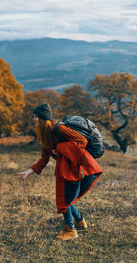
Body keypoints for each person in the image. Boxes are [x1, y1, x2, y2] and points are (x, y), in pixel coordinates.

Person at [17, 103, 103, 241]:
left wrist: (60, 147)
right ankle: (80, 221)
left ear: (43, 118)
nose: (34, 119)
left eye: (36, 117)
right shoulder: (46, 135)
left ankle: (70, 230)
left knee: (64, 197)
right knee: (66, 197)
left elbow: (82, 140)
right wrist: (28, 172)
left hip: (73, 167)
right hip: (64, 168)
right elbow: (44, 158)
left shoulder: (60, 128)